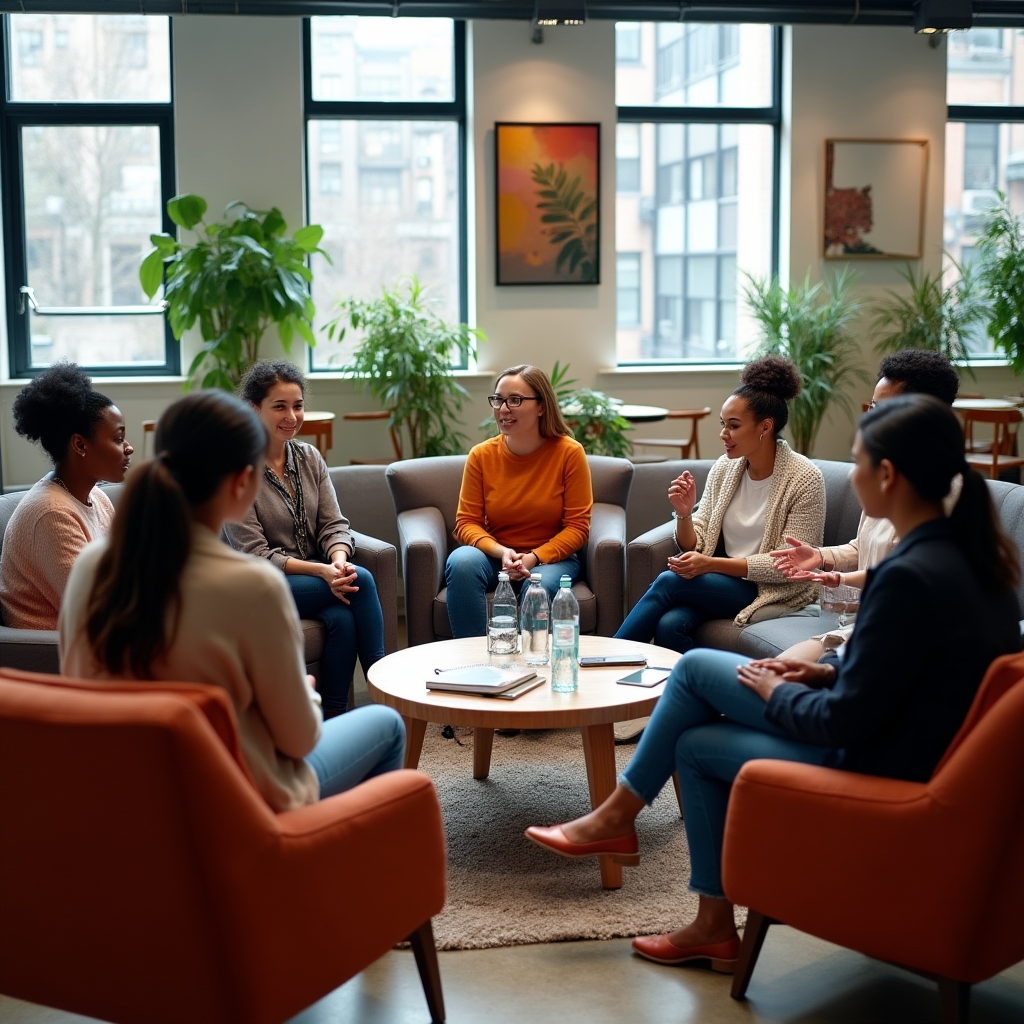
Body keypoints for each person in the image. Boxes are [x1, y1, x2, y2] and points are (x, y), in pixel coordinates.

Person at [525, 394, 1020, 973]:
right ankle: (689, 902)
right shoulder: (972, 561)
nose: (853, 476)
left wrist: (778, 692)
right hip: (904, 745)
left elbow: (840, 721)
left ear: (887, 476)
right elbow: (909, 671)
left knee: (691, 695)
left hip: (877, 767)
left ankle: (623, 826)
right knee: (692, 713)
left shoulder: (906, 576)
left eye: (858, 463)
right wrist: (819, 669)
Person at [59, 391, 405, 813]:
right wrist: (307, 699)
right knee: (388, 725)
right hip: (236, 797)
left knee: (339, 615)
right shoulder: (253, 586)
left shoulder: (92, 567)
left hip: (124, 792)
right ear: (244, 482)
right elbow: (299, 739)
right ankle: (324, 861)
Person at [614, 356, 825, 654]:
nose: (723, 434)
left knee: (668, 582)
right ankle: (676, 697)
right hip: (724, 580)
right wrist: (685, 514)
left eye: (734, 426)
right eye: (723, 424)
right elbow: (695, 542)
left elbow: (789, 565)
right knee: (669, 625)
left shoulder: (804, 478)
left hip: (769, 589)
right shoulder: (726, 468)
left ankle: (606, 658)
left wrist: (710, 565)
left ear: (765, 426)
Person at [770, 349, 962, 661]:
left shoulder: (941, 490)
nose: (870, 419)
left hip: (896, 631)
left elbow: (901, 573)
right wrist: (819, 556)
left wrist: (840, 579)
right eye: (872, 407)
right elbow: (863, 548)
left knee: (726, 673)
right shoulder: (889, 474)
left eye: (883, 410)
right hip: (866, 621)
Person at [225, 361, 385, 718]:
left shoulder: (309, 457)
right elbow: (254, 554)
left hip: (312, 578)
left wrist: (339, 559)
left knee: (341, 619)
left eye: (297, 405)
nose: (292, 416)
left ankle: (333, 717)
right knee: (364, 580)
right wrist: (322, 572)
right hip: (258, 586)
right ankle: (386, 691)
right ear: (254, 409)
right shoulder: (236, 469)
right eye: (279, 407)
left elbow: (334, 524)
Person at [445, 364, 592, 638]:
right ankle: (473, 665)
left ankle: (526, 670)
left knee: (538, 584)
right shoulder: (481, 455)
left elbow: (577, 528)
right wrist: (502, 552)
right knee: (462, 561)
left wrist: (534, 558)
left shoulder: (569, 453)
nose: (503, 408)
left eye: (515, 400)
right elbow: (466, 523)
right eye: (498, 400)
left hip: (550, 560)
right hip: (497, 557)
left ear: (541, 407)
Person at [0, 362, 133, 630]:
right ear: (80, 445)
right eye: (118, 439)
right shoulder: (51, 514)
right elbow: (98, 609)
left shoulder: (97, 497)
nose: (128, 448)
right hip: (55, 652)